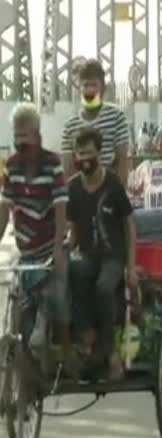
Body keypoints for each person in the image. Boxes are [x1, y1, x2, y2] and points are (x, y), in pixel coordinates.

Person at [0, 103, 77, 375]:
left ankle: (66, 350)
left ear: (36, 135)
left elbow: (60, 208)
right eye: (16, 137)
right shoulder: (11, 166)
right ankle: (25, 380)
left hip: (50, 247)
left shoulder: (52, 163)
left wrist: (57, 249)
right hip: (26, 252)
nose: (21, 143)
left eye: (25, 137)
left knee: (57, 299)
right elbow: (4, 209)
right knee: (19, 319)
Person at [67, 127, 137, 380]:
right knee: (71, 272)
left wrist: (131, 266)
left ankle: (110, 352)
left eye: (89, 152)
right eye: (79, 153)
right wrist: (64, 248)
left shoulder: (112, 184)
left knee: (104, 288)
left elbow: (129, 225)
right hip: (87, 255)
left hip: (113, 256)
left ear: (99, 154)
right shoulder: (72, 188)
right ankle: (85, 337)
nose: (84, 158)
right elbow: (73, 231)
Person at [60, 59, 130, 185]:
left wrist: (119, 195)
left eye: (93, 85)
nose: (89, 91)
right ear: (80, 89)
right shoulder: (70, 126)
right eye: (86, 85)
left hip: (110, 190)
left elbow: (122, 163)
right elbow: (68, 170)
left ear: (103, 89)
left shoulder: (116, 117)